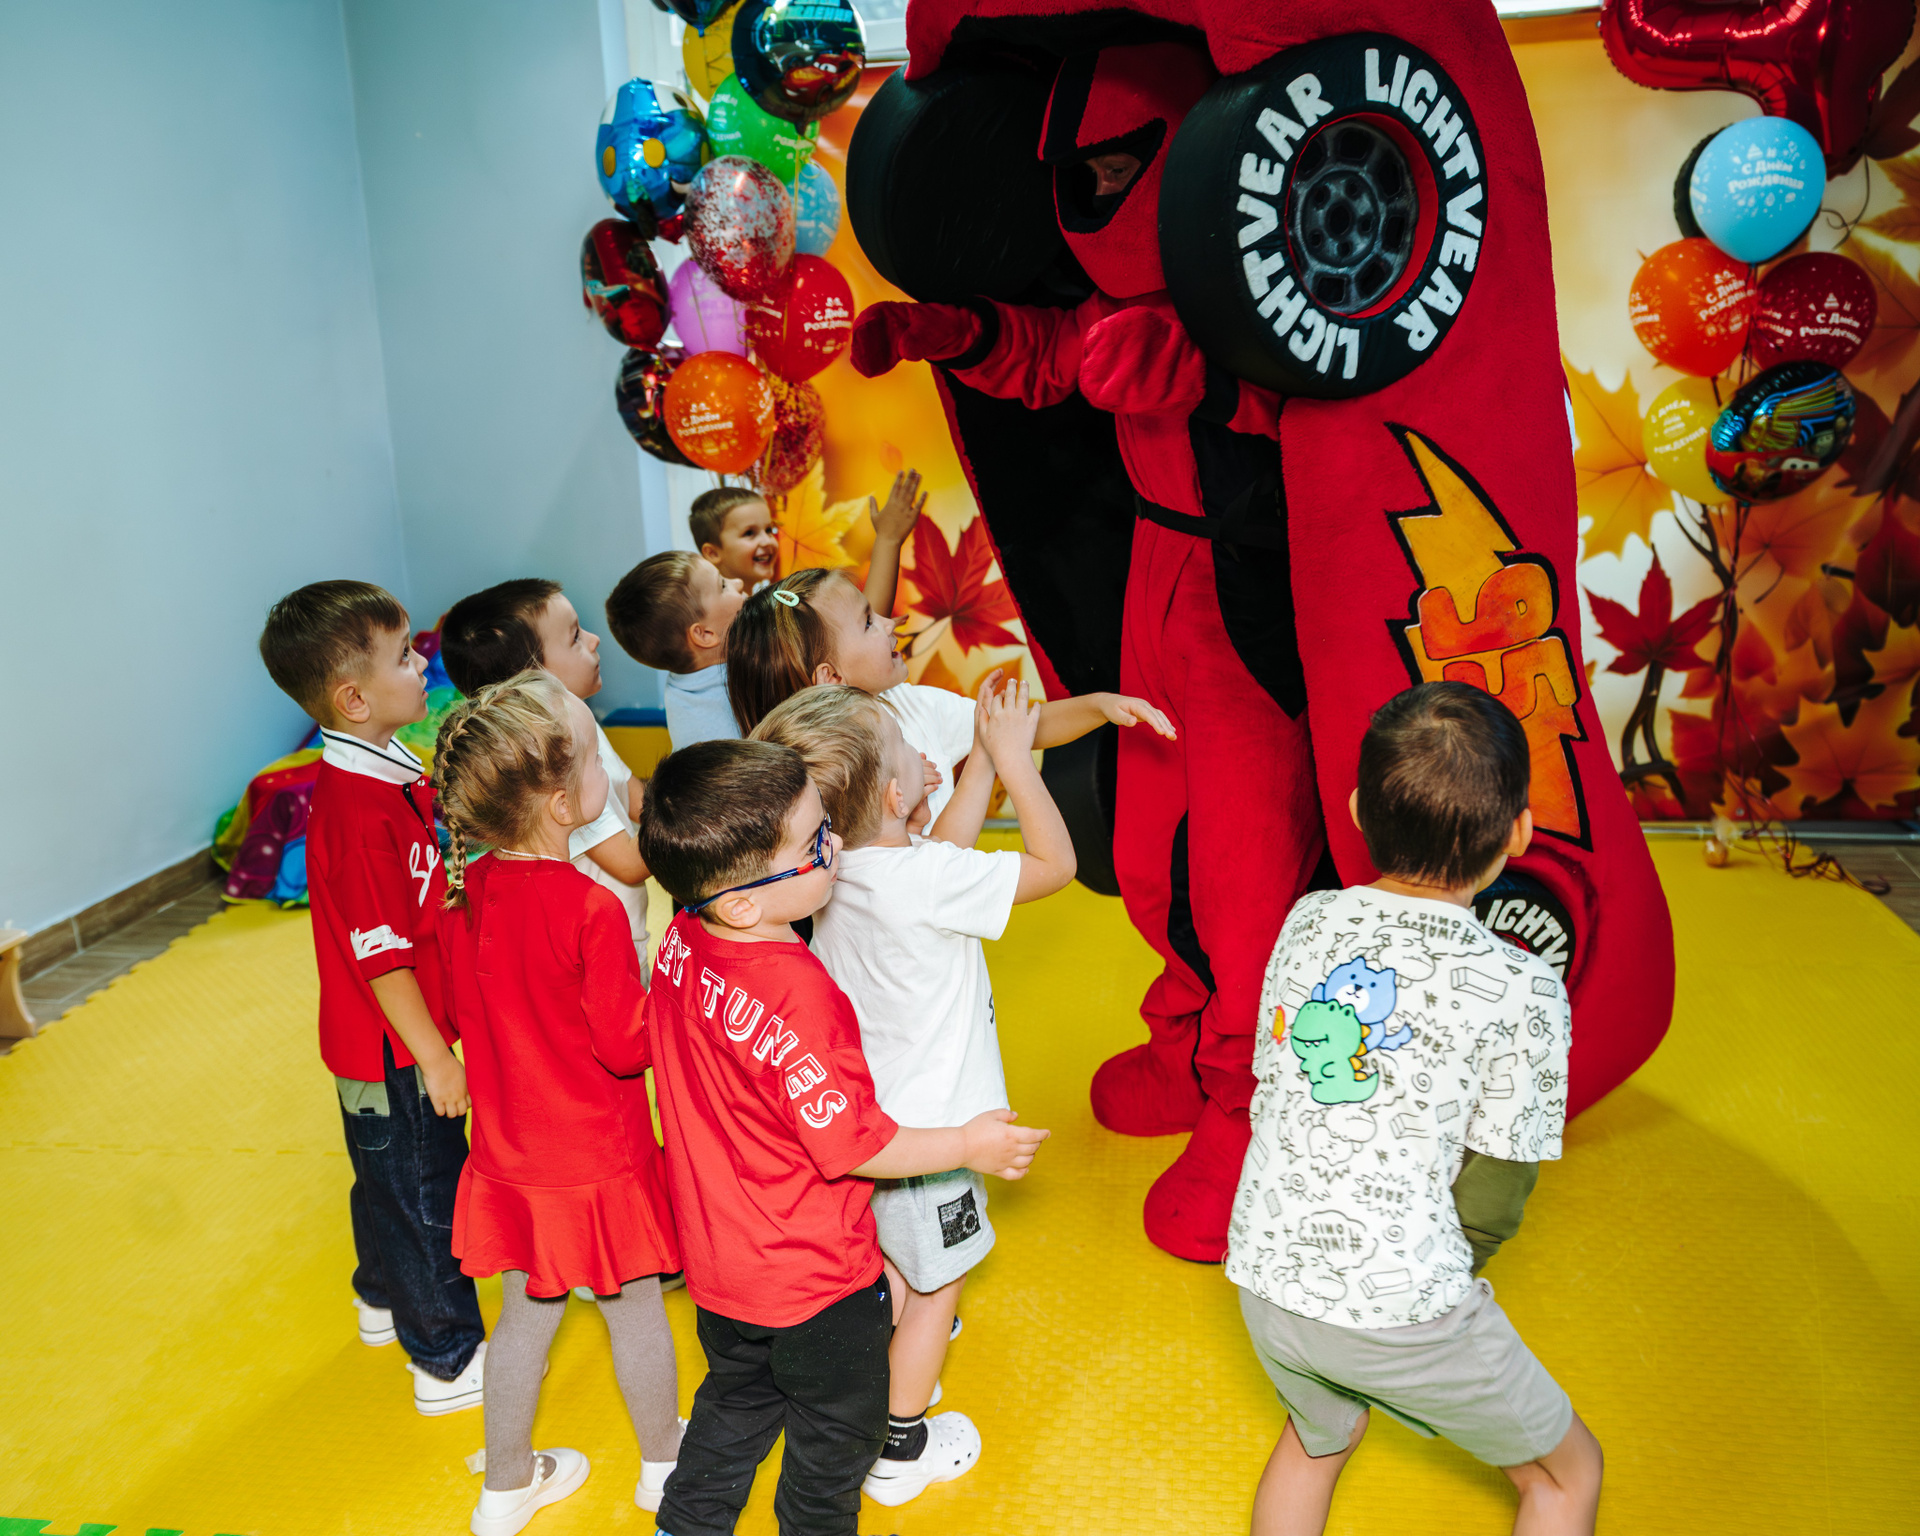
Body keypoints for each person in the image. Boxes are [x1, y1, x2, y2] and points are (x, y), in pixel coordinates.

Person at [637, 738, 1050, 1536]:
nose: (833, 848)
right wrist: (969, 1145)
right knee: (834, 1446)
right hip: (815, 1282)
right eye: (815, 842)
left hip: (720, 1266)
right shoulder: (798, 995)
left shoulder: (684, 938)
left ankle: (683, 1525)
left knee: (734, 1407)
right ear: (744, 903)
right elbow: (858, 1146)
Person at [1228, 682, 1601, 1536]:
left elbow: (1277, 1081)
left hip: (1266, 1278)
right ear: (1519, 833)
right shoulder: (1526, 987)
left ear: (1359, 811)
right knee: (1567, 1476)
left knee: (1317, 1439)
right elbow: (1497, 1190)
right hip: (1402, 1307)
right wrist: (1434, 1274)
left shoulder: (1309, 921)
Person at [752, 679, 1074, 1506]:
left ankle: (884, 1391)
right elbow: (1056, 867)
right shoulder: (924, 878)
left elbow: (938, 859)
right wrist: (1012, 762)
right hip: (937, 1142)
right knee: (937, 1292)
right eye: (909, 751)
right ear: (896, 797)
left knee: (895, 1270)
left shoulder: (836, 869)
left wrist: (973, 769)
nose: (926, 754)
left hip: (869, 1131)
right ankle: (899, 1445)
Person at [433, 671, 685, 1536]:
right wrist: (670, 997)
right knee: (635, 1310)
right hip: (598, 1159)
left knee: (522, 1322)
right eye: (592, 760)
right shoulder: (592, 907)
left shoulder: (463, 897)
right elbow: (624, 1047)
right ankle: (664, 1467)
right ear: (561, 805)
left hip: (511, 1158)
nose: (608, 773)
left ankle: (505, 1487)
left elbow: (466, 1016)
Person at [257, 580, 486, 1415]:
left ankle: (381, 1296)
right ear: (354, 699)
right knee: (425, 1195)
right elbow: (381, 960)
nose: (423, 665)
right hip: (392, 1049)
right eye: (405, 657)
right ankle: (446, 1361)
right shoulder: (355, 812)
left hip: (392, 1042)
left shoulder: (390, 768)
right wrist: (437, 1060)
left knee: (386, 1180)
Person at [724, 566, 1175, 822]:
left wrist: (1100, 705)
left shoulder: (912, 705)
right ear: (831, 676)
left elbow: (1022, 727)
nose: (890, 623)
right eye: (869, 622)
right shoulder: (817, 780)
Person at [439, 579, 651, 966]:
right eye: (575, 637)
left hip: (623, 930)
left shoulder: (579, 723)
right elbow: (631, 864)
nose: (594, 640)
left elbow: (634, 795)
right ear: (531, 680)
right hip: (604, 949)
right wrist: (697, 826)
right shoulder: (553, 766)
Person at [692, 472, 925, 609]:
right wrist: (888, 539)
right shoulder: (733, 617)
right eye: (749, 533)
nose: (767, 541)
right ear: (712, 553)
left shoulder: (770, 602)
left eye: (770, 530)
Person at [604, 551, 748, 750]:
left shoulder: (690, 679)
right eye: (723, 585)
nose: (738, 582)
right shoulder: (714, 732)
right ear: (704, 634)